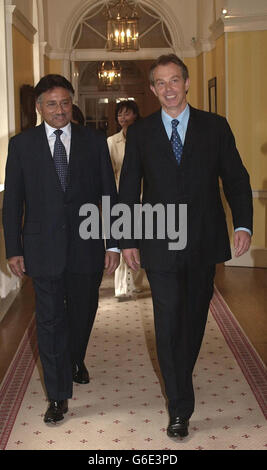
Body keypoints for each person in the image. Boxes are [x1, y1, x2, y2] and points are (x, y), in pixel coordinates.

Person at [119, 54, 253, 439]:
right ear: (152, 89)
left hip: (203, 241)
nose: (168, 89)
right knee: (167, 319)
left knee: (193, 319)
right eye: (160, 83)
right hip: (158, 242)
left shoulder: (215, 127)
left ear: (187, 82)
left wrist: (242, 223)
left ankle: (180, 369)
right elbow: (129, 189)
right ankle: (179, 405)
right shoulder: (141, 133)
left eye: (174, 80)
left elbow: (237, 179)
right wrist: (127, 238)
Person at [2, 74, 120, 425]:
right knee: (50, 320)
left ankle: (74, 357)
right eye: (51, 103)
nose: (60, 109)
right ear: (39, 107)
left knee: (84, 310)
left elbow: (108, 197)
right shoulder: (21, 146)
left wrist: (112, 242)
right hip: (42, 248)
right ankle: (57, 395)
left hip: (87, 246)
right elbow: (13, 204)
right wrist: (14, 248)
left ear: (73, 103)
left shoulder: (93, 141)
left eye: (65, 102)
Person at [107, 100, 144, 300]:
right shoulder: (112, 142)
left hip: (144, 198)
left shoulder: (146, 138)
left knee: (140, 241)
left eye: (127, 113)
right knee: (122, 242)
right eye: (120, 114)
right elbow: (109, 172)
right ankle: (121, 288)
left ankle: (136, 282)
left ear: (135, 115)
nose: (123, 118)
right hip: (121, 199)